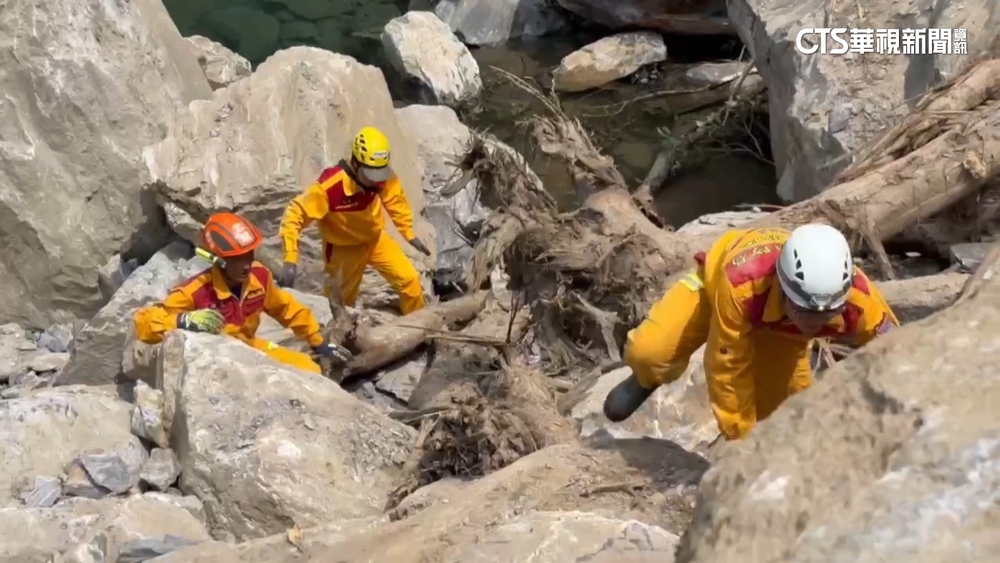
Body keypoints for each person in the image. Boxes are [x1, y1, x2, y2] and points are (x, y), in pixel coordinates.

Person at [604, 223, 899, 441]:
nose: (814, 323)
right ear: (783, 289)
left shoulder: (860, 301)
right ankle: (645, 379)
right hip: (714, 292)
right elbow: (728, 367)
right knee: (649, 352)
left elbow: (903, 351)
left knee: (783, 420)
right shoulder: (742, 285)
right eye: (806, 312)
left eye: (827, 313)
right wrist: (741, 441)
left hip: (781, 331)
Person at [133, 212, 352, 374]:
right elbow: (144, 323)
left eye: (248, 255)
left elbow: (287, 309)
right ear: (217, 259)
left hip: (250, 348)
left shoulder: (259, 278)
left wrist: (318, 342)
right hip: (215, 364)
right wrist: (183, 320)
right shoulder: (197, 291)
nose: (246, 264)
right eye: (237, 258)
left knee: (309, 370)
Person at [275, 126, 431, 315]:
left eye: (380, 175)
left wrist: (408, 233)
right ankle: (340, 341)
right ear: (356, 164)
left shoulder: (380, 175)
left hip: (375, 240)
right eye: (371, 176)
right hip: (343, 252)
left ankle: (420, 326)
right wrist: (290, 259)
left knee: (410, 280)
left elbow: (395, 199)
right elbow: (295, 214)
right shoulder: (330, 188)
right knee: (341, 306)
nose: (377, 182)